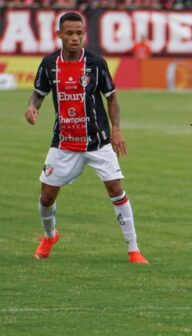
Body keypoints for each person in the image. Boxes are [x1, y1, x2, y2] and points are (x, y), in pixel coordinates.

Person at [25, 12, 148, 264]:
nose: (75, 38)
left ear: (84, 34)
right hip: (64, 142)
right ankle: (49, 236)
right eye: (69, 33)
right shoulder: (49, 64)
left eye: (79, 33)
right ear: (59, 34)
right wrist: (32, 106)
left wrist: (116, 129)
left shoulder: (96, 63)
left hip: (98, 141)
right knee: (46, 197)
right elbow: (38, 93)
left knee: (116, 188)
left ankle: (134, 249)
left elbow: (111, 96)